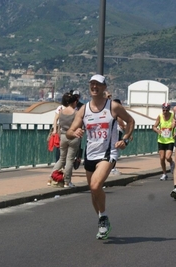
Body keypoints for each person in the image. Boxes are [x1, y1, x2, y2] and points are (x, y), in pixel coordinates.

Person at [66, 74, 135, 240]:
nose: (94, 87)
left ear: (104, 88)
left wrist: (125, 140)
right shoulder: (84, 109)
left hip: (108, 153)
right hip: (90, 154)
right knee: (93, 192)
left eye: (98, 84)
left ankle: (103, 217)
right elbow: (69, 132)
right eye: (92, 84)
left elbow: (131, 122)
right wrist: (74, 132)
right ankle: (101, 219)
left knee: (96, 186)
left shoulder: (113, 106)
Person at [49, 92, 80, 187]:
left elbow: (56, 121)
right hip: (73, 137)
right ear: (74, 102)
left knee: (61, 159)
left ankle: (51, 178)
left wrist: (55, 130)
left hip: (63, 136)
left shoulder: (61, 112)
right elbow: (80, 125)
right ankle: (67, 181)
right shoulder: (76, 113)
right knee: (70, 159)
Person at [153, 103, 175, 181]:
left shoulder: (172, 116)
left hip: (170, 140)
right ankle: (164, 174)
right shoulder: (160, 116)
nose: (165, 112)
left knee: (168, 157)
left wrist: (175, 129)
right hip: (161, 140)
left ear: (169, 110)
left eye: (166, 110)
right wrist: (157, 130)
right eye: (163, 110)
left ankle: (172, 163)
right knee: (162, 158)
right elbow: (154, 126)